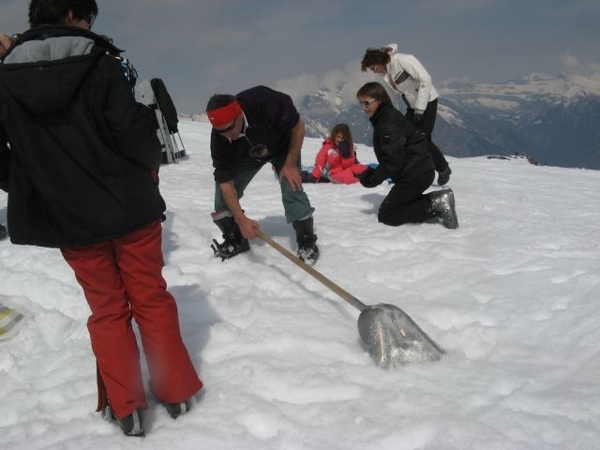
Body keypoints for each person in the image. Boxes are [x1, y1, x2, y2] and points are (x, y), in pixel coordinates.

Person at [0, 0, 203, 437]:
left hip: (69, 218)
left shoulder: (5, 77)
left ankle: (125, 406)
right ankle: (176, 392)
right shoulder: (101, 63)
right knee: (150, 297)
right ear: (73, 15)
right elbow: (136, 134)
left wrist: (32, 182)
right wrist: (149, 171)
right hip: (130, 208)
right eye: (88, 17)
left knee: (106, 309)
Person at [206, 85, 320, 265]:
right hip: (248, 157)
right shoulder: (220, 138)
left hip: (283, 148)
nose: (227, 136)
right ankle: (236, 239)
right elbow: (225, 181)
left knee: (291, 186)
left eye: (229, 129)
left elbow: (298, 127)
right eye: (220, 132)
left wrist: (290, 164)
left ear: (238, 115)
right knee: (222, 199)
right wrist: (241, 219)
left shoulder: (266, 102)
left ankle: (306, 240)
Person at [355, 82, 458, 229]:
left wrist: (371, 179)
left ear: (379, 100)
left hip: (416, 174)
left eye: (366, 103)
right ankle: (437, 200)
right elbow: (394, 155)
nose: (363, 108)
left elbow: (393, 161)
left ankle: (437, 204)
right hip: (419, 170)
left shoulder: (386, 124)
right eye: (361, 104)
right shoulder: (386, 116)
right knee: (399, 205)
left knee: (387, 215)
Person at [361, 44, 452, 186]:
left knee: (422, 139)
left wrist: (421, 108)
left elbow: (425, 79)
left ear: (379, 61)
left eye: (374, 68)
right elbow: (390, 93)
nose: (375, 72)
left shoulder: (403, 60)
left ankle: (443, 168)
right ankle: (408, 171)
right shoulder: (387, 74)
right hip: (412, 105)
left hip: (427, 101)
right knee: (406, 137)